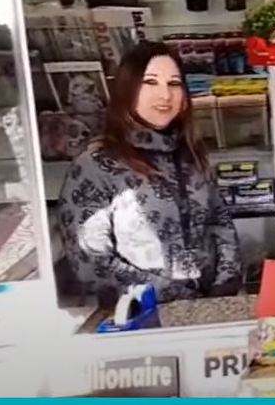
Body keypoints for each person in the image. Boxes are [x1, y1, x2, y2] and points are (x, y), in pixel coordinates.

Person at [56, 42, 242, 303]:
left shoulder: (190, 154)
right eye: (151, 82)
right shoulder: (95, 164)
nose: (165, 94)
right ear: (128, 90)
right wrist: (176, 295)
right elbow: (90, 263)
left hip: (210, 306)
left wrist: (225, 284)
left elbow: (219, 222)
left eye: (174, 83)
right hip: (142, 316)